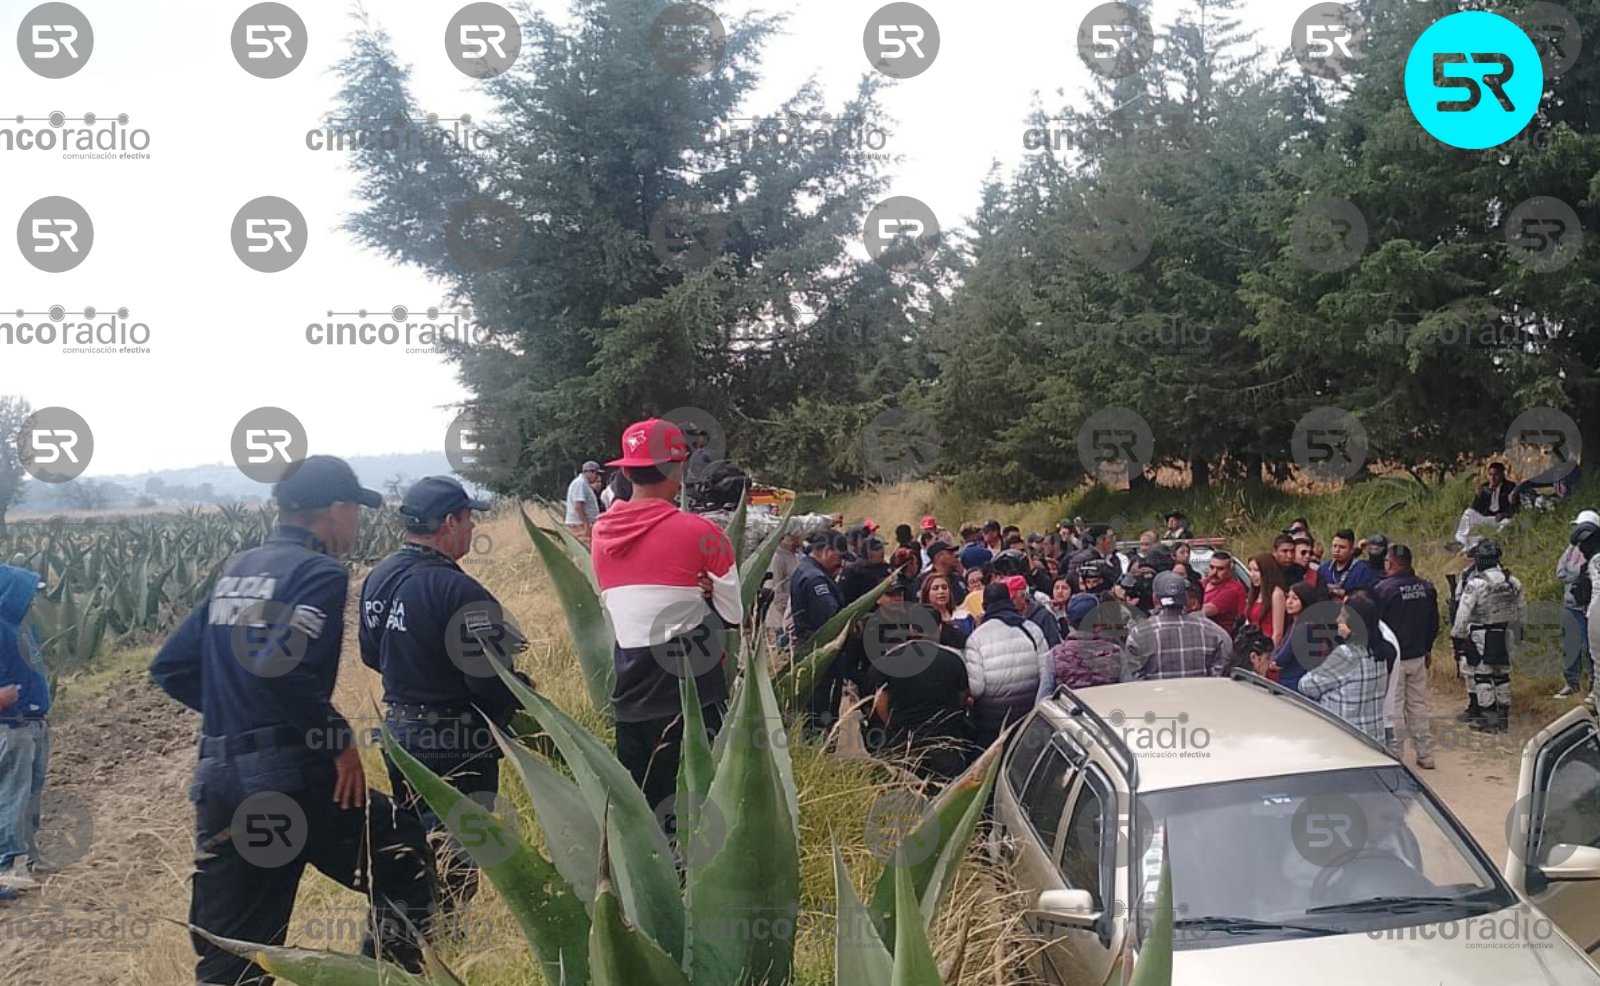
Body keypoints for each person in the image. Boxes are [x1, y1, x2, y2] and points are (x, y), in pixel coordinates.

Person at [149, 456, 434, 985]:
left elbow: (171, 667)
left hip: (219, 778)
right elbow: (281, 670)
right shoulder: (319, 572)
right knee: (402, 854)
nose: (357, 522)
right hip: (287, 779)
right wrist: (339, 743)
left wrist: (241, 718)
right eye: (355, 509)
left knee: (233, 946)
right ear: (335, 509)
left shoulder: (242, 567)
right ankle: (390, 978)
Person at [359, 477, 528, 909]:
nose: (472, 530)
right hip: (457, 741)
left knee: (415, 841)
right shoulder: (458, 590)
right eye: (470, 519)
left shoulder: (379, 577)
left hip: (399, 735)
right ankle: (448, 940)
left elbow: (372, 654)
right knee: (458, 850)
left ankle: (415, 939)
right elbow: (489, 680)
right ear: (450, 521)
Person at [591, 419, 741, 808]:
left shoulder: (601, 533)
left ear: (625, 470)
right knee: (697, 820)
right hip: (690, 699)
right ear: (679, 468)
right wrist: (703, 592)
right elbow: (733, 614)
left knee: (647, 819)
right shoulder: (702, 533)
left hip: (630, 697)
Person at [869, 608, 974, 783]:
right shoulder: (953, 659)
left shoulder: (888, 661)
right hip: (946, 744)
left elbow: (881, 703)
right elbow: (962, 698)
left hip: (905, 744)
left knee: (908, 796)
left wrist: (895, 726)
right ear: (939, 628)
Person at [0, 566, 48, 891]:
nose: (33, 598)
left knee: (31, 792)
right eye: (28, 592)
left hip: (35, 723)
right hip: (11, 726)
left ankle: (27, 857)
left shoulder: (23, 627)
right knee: (12, 794)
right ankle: (7, 864)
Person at [963, 581, 1053, 747]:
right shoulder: (1032, 629)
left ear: (984, 606)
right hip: (1026, 718)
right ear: (1010, 602)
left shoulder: (976, 637)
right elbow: (1046, 674)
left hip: (991, 724)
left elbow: (976, 689)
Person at [1374, 544, 1439, 768]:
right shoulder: (1427, 588)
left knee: (1394, 706)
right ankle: (1425, 754)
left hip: (1395, 659)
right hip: (1419, 656)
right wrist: (1428, 648)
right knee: (1418, 705)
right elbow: (1434, 623)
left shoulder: (1383, 590)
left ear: (1390, 563)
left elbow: (1377, 627)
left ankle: (1396, 755)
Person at [1451, 538, 1525, 733]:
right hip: (1506, 633)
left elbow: (1463, 613)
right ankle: (1503, 718)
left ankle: (1488, 719)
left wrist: (1458, 635)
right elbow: (1521, 609)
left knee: (1483, 675)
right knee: (1502, 675)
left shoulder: (1476, 584)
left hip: (1482, 633)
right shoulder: (1512, 581)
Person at [1299, 597, 1387, 743]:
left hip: (1346, 738)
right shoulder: (1380, 651)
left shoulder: (1345, 655)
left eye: (1343, 615)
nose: (1338, 619)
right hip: (1374, 737)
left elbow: (1307, 686)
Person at [1123, 572, 1232, 680]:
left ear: (1155, 599)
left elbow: (1135, 682)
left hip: (1156, 697)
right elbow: (1218, 679)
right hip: (1199, 696)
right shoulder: (1213, 632)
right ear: (1185, 599)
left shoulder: (1138, 634)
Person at [791, 530, 847, 732]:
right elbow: (831, 618)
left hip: (810, 654)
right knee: (822, 714)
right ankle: (821, 752)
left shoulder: (805, 570)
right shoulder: (816, 579)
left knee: (813, 711)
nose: (841, 564)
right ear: (827, 551)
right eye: (839, 557)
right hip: (822, 656)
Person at [1556, 511, 1600, 698]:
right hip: (1571, 604)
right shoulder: (1573, 547)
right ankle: (1571, 682)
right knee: (1571, 645)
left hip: (1590, 607)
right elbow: (1560, 572)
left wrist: (1577, 575)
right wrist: (1578, 575)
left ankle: (1593, 685)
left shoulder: (1595, 556)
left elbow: (1591, 579)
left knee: (1591, 648)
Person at [1052, 596, 1129, 689]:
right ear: (1098, 618)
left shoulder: (1056, 654)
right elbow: (1129, 689)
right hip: (1110, 702)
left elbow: (1044, 696)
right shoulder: (1115, 651)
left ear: (1068, 620)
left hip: (1072, 703)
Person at [1271, 582, 1331, 691]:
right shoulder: (1297, 625)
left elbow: (1281, 659)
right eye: (1288, 597)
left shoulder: (1304, 628)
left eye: (1295, 599)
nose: (1289, 602)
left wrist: (1273, 661)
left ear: (1305, 601)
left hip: (1293, 684)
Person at [1454, 461, 1519, 550]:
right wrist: (1480, 495)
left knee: (1509, 522)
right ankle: (1460, 541)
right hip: (1487, 517)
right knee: (1469, 513)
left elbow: (1514, 507)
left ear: (1502, 475)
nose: (1492, 478)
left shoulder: (1510, 487)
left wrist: (1504, 514)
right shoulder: (1485, 487)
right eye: (1490, 474)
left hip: (1500, 518)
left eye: (1496, 475)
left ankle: (1490, 543)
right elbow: (1476, 508)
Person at [764, 530, 802, 647]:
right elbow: (776, 584)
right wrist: (784, 606)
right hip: (780, 611)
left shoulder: (794, 555)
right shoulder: (778, 557)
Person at [1318, 528, 1377, 601]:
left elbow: (1366, 597)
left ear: (1351, 550)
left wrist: (1343, 593)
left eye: (1342, 547)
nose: (1337, 550)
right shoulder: (1324, 569)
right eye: (1334, 546)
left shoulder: (1363, 570)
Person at [1245, 552, 1289, 648]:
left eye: (1256, 570)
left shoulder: (1276, 594)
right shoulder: (1255, 594)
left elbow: (1278, 633)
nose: (1252, 575)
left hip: (1267, 649)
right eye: (1250, 570)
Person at [1200, 550, 1247, 635]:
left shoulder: (1233, 589)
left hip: (1221, 639)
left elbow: (1206, 611)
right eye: (1212, 567)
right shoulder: (1201, 583)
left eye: (1220, 569)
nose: (1214, 572)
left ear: (1230, 570)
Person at [838, 536, 890, 605]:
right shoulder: (853, 571)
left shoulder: (885, 568)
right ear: (868, 553)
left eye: (882, 548)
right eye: (877, 549)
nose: (882, 551)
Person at [565, 460, 603, 546]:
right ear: (589, 472)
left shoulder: (584, 484)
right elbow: (578, 506)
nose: (597, 477)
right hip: (579, 525)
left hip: (582, 524)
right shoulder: (580, 483)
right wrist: (586, 524)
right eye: (596, 473)